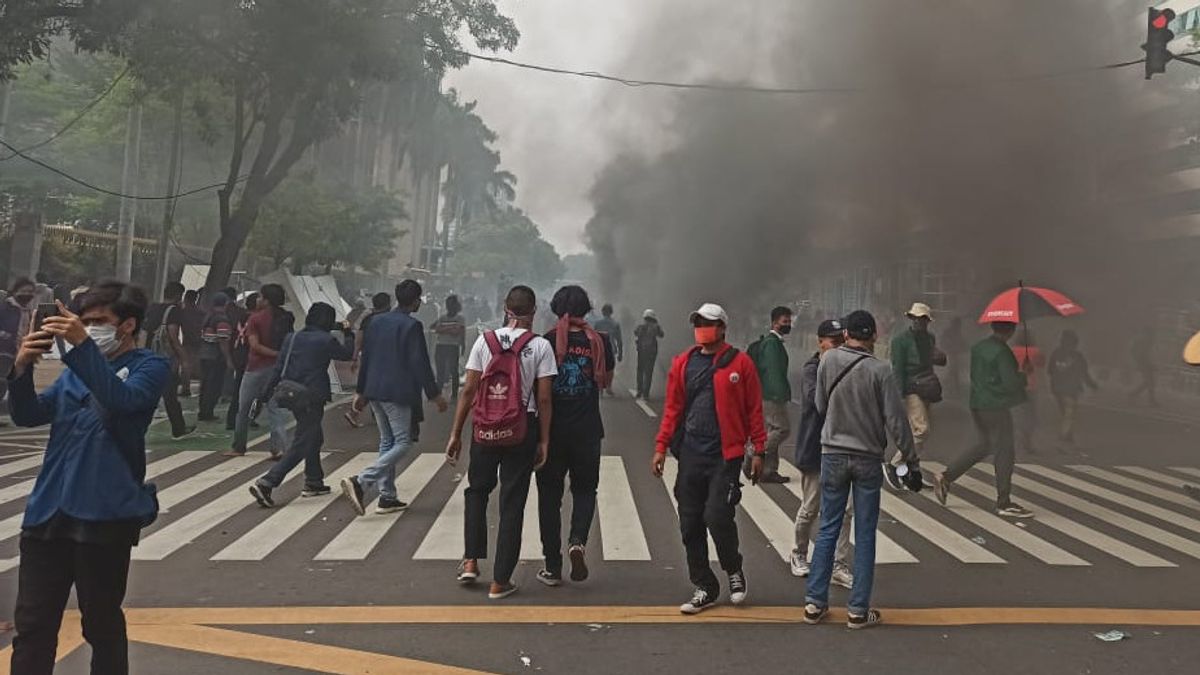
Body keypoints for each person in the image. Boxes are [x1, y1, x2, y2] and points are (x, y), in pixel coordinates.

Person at [6, 281, 165, 674]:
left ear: (127, 325)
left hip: (104, 513)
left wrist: (83, 348)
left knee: (102, 624)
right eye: (84, 321)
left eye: (98, 321)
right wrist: (22, 368)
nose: (88, 327)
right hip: (48, 513)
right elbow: (28, 415)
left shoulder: (150, 366)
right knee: (33, 626)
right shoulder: (74, 371)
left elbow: (122, 400)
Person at [803, 310, 917, 630]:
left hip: (833, 455)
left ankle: (814, 602)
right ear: (874, 336)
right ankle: (857, 609)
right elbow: (896, 420)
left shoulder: (828, 361)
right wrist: (912, 460)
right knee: (865, 534)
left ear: (847, 333)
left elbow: (820, 405)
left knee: (828, 527)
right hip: (867, 458)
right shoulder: (881, 370)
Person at [651, 303, 766, 615]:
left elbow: (754, 409)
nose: (702, 326)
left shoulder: (740, 364)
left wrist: (758, 450)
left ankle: (733, 569)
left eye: (709, 322)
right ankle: (705, 585)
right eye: (698, 321)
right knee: (689, 523)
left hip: (724, 456)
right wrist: (661, 447)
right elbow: (672, 409)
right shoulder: (682, 364)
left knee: (717, 516)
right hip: (690, 453)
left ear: (723, 328)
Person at [446, 285, 557, 600]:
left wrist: (456, 432)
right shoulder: (540, 347)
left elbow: (468, 390)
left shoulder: (485, 340)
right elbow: (545, 398)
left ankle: (470, 561)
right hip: (522, 430)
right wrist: (545, 440)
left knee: (476, 492)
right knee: (512, 502)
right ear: (533, 311)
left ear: (506, 309)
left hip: (484, 428)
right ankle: (500, 580)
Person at [340, 280, 447, 516]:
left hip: (375, 390)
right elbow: (420, 363)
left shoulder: (376, 322)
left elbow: (368, 356)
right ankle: (361, 481)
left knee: (387, 441)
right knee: (403, 442)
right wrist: (435, 394)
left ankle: (387, 496)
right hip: (397, 391)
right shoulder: (412, 326)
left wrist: (361, 390)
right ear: (417, 300)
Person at [536, 286, 615, 587]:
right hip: (587, 431)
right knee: (584, 491)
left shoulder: (546, 342)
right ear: (587, 309)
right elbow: (605, 382)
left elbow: (539, 391)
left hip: (552, 433)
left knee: (549, 498)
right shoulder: (600, 342)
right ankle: (577, 541)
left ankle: (553, 567)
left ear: (556, 309)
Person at [250, 302, 356, 506]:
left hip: (290, 393)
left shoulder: (292, 337)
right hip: (312, 395)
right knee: (304, 440)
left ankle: (314, 481)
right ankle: (268, 482)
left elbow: (279, 367)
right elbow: (346, 354)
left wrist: (264, 395)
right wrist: (348, 333)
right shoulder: (326, 339)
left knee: (313, 436)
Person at [932, 322, 1034, 519]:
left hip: (978, 403)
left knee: (984, 445)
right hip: (996, 406)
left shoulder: (980, 347)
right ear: (1011, 331)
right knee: (1005, 452)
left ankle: (946, 476)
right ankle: (1004, 502)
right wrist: (1024, 375)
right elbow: (1010, 382)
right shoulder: (1002, 351)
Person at [789, 319, 854, 590]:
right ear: (820, 342)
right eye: (832, 341)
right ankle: (799, 553)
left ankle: (838, 565)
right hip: (816, 449)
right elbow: (818, 402)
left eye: (842, 341)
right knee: (812, 507)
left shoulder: (850, 367)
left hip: (842, 448)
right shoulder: (812, 369)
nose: (837, 346)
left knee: (845, 510)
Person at [226, 283, 294, 459]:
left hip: (255, 368)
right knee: (274, 408)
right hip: (277, 370)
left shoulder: (255, 319)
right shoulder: (287, 318)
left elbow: (255, 346)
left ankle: (239, 446)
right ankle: (278, 447)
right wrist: (280, 357)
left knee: (244, 408)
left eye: (261, 297)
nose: (258, 300)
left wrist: (274, 354)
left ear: (267, 300)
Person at [888, 302, 945, 477]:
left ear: (927, 321)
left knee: (917, 432)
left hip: (927, 387)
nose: (919, 322)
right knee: (922, 430)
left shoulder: (930, 338)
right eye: (916, 319)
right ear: (911, 319)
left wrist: (938, 357)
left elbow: (934, 360)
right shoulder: (900, 341)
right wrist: (899, 394)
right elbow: (898, 369)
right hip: (911, 387)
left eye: (923, 319)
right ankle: (895, 464)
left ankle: (911, 471)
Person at [746, 306, 794, 483]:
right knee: (782, 429)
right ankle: (753, 452)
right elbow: (773, 372)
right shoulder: (772, 344)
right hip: (772, 395)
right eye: (784, 322)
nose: (788, 325)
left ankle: (769, 470)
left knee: (773, 429)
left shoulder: (773, 342)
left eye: (789, 321)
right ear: (774, 323)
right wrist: (778, 394)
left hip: (767, 394)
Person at [144, 281, 194, 440]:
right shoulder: (174, 311)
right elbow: (173, 335)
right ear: (178, 295)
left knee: (148, 395)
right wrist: (183, 357)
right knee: (170, 395)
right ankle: (178, 428)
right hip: (165, 358)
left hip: (148, 355)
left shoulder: (152, 308)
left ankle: (139, 429)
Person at [345, 292, 392, 428]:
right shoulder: (388, 319)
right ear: (387, 304)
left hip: (368, 356)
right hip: (384, 357)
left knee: (371, 386)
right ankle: (354, 412)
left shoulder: (367, 319)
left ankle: (367, 413)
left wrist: (355, 357)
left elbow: (358, 339)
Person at [1047, 329, 1098, 449]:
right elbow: (1084, 373)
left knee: (1065, 412)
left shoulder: (1056, 354)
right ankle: (1064, 436)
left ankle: (1067, 434)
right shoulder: (1078, 356)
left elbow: (1049, 371)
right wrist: (1091, 385)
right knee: (1069, 412)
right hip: (1071, 389)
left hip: (1057, 388)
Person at [0, 278, 37, 417]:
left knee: (17, 382)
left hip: (22, 352)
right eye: (24, 291)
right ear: (15, 292)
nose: (27, 294)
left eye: (30, 291)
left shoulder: (30, 311)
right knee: (2, 382)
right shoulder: (5, 307)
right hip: (4, 351)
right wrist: (4, 335)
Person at [197, 293, 235, 422]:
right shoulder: (222, 319)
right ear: (226, 304)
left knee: (205, 384)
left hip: (204, 355)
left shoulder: (208, 317)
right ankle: (208, 412)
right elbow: (223, 341)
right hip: (216, 357)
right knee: (214, 386)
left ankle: (203, 411)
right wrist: (228, 358)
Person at [225, 292, 258, 432]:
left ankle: (232, 420)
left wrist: (230, 356)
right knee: (255, 392)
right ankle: (246, 418)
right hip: (251, 358)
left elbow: (232, 337)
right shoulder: (257, 319)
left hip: (238, 356)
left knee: (239, 390)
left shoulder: (240, 318)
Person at [1010, 330, 1044, 455]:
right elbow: (1042, 363)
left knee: (1017, 414)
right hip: (1030, 388)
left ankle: (1016, 441)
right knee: (1030, 416)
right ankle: (1027, 441)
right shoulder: (1035, 351)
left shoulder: (1011, 351)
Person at [432, 294, 468, 401]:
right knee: (441, 371)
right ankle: (439, 394)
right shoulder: (443, 317)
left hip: (451, 346)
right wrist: (451, 329)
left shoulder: (459, 318)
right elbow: (437, 329)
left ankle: (454, 395)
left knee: (453, 371)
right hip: (442, 346)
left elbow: (458, 332)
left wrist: (444, 329)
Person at [178, 289, 204, 397]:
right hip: (200, 341)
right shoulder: (201, 312)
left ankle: (186, 389)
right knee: (200, 366)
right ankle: (203, 389)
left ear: (186, 298)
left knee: (185, 365)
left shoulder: (182, 312)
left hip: (187, 341)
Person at [592, 304, 623, 396]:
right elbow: (619, 340)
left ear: (602, 312)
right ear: (611, 312)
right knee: (610, 368)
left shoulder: (597, 323)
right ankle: (609, 386)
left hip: (599, 348)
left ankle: (600, 387)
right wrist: (621, 353)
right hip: (611, 348)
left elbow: (593, 337)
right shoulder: (615, 324)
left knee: (599, 367)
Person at [634, 309, 664, 399]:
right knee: (649, 372)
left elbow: (635, 333)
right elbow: (661, 335)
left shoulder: (641, 326)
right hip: (652, 352)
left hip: (641, 351)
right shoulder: (656, 326)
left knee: (640, 371)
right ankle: (646, 393)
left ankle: (639, 391)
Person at [1129, 333, 1157, 406]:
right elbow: (1143, 355)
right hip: (1144, 364)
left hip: (1144, 364)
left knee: (1148, 382)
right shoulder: (1145, 343)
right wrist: (1149, 365)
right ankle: (1151, 400)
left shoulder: (1142, 342)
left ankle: (1134, 394)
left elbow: (1137, 353)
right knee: (1150, 382)